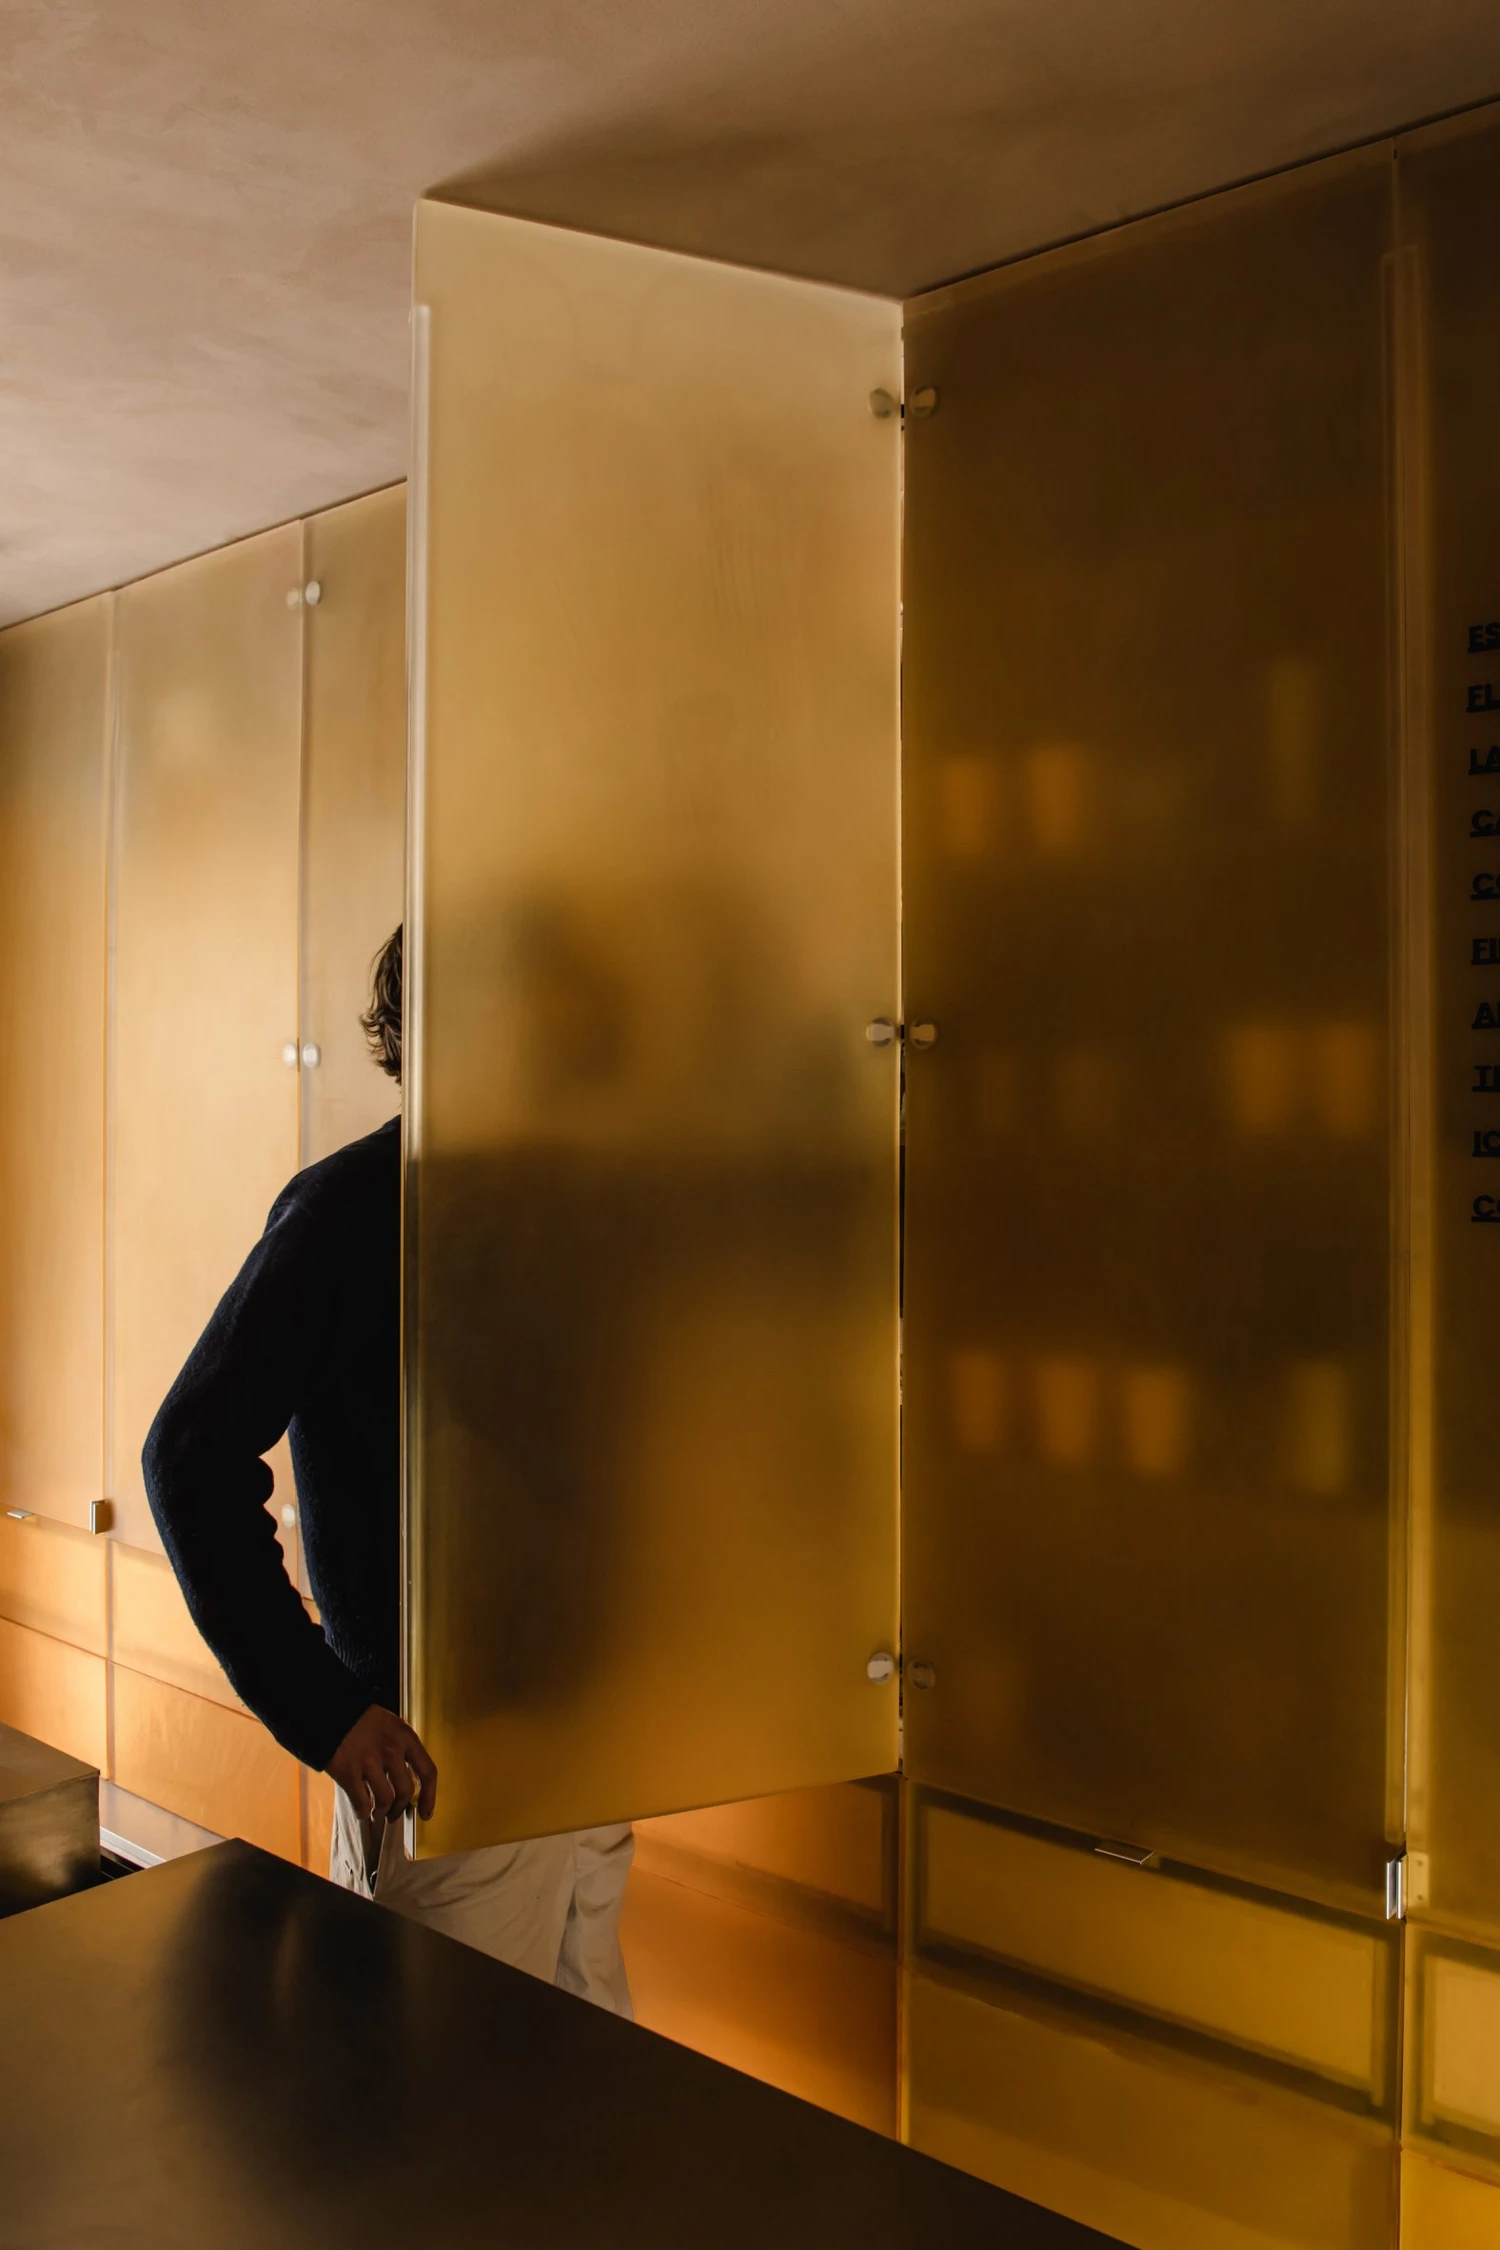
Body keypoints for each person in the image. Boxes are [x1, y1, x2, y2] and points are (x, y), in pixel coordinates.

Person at [143, 925, 633, 2013]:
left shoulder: (558, 1206)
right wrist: (324, 1710)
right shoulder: (351, 1214)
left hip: (595, 1759)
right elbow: (189, 1457)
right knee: (436, 2133)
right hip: (445, 1766)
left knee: (594, 2132)